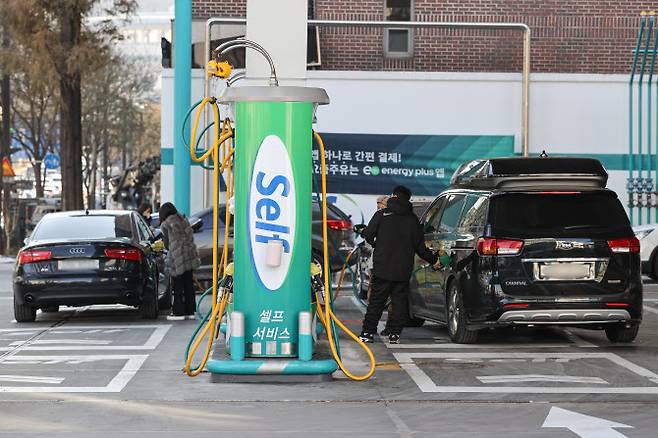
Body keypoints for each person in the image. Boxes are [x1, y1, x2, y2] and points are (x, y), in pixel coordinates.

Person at [359, 186, 441, 344]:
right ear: (408, 199)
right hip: (403, 269)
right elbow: (420, 248)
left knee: (377, 301)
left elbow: (368, 235)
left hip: (382, 267)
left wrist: (377, 243)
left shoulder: (381, 215)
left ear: (393, 196)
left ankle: (367, 333)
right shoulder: (412, 220)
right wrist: (434, 260)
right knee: (399, 302)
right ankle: (395, 334)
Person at [159, 202, 200, 321]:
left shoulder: (166, 225)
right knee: (188, 284)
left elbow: (167, 244)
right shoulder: (183, 220)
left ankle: (178, 312)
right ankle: (190, 310)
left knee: (177, 285)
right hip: (189, 256)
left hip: (177, 259)